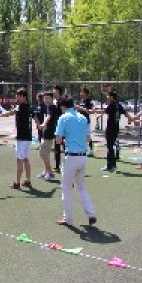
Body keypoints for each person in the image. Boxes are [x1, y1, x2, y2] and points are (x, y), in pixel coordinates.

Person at [55, 97, 97, 227]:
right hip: (82, 156)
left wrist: (65, 139)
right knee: (81, 187)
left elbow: (58, 139)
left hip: (71, 157)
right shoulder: (83, 118)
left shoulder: (63, 118)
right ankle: (91, 213)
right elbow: (88, 138)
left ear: (63, 106)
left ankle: (68, 218)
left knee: (66, 189)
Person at [0, 88, 34, 189]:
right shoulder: (30, 107)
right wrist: (40, 125)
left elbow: (9, 113)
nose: (17, 98)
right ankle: (28, 181)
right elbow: (35, 118)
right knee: (26, 159)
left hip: (22, 138)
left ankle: (17, 183)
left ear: (24, 97)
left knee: (20, 160)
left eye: (19, 96)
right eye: (17, 96)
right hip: (28, 137)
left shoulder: (20, 107)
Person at [94, 90, 134, 172]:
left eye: (108, 96)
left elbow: (104, 111)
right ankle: (113, 165)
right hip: (116, 129)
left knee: (110, 147)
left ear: (112, 97)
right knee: (111, 147)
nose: (107, 97)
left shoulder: (111, 105)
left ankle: (110, 166)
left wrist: (95, 113)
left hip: (110, 129)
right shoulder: (118, 105)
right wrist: (130, 119)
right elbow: (126, 113)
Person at [35, 92, 57, 181]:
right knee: (43, 153)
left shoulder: (52, 107)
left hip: (49, 133)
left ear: (52, 99)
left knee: (44, 154)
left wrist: (43, 124)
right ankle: (46, 171)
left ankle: (50, 173)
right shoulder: (48, 107)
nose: (46, 100)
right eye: (45, 98)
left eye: (48, 98)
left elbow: (49, 116)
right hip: (46, 133)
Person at [74, 88, 95, 157]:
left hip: (86, 122)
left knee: (87, 137)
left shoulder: (89, 102)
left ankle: (91, 150)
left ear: (86, 94)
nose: (80, 93)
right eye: (80, 92)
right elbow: (77, 110)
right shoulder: (80, 101)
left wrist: (83, 109)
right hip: (79, 121)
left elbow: (92, 110)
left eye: (82, 92)